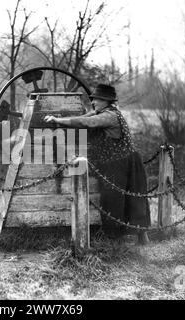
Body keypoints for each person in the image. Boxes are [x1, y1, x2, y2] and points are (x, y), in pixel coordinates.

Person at [44, 84, 150, 244]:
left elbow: (85, 123)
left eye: (97, 100)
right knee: (118, 199)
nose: (93, 102)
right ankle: (120, 238)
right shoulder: (101, 112)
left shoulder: (109, 116)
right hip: (114, 161)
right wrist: (65, 120)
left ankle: (121, 239)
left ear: (107, 101)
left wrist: (57, 120)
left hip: (123, 161)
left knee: (123, 199)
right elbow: (87, 117)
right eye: (93, 99)